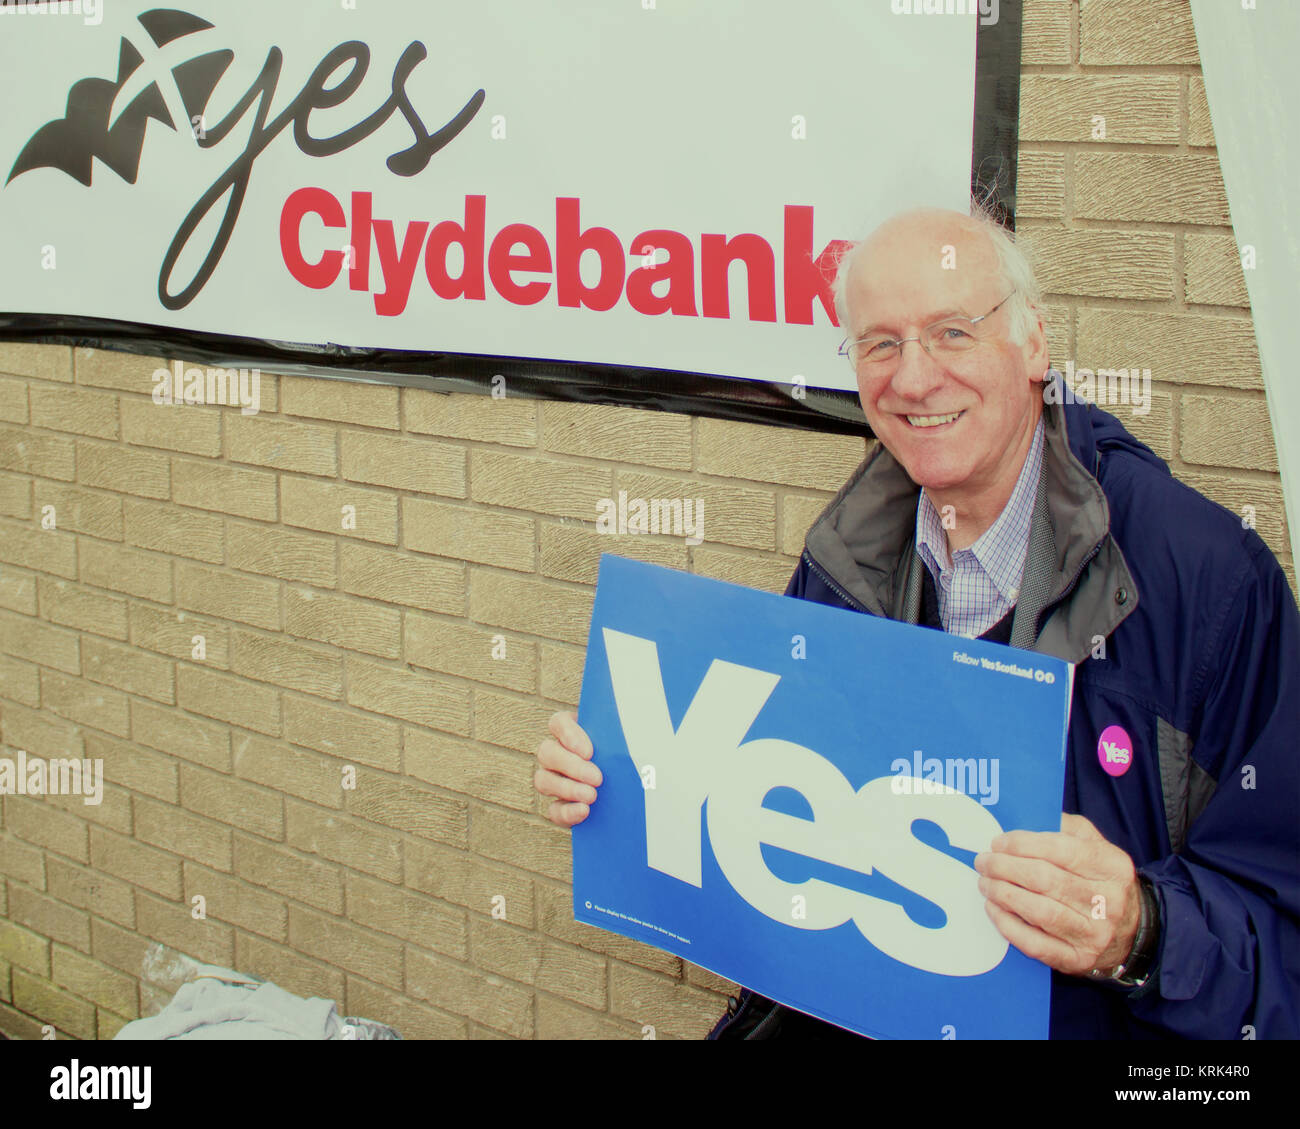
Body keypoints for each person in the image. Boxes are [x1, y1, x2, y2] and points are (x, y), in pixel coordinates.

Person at [533, 203, 1300, 1039]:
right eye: (881, 343)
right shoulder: (846, 556)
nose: (914, 377)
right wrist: (629, 775)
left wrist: (1142, 930)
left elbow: (1282, 936)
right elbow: (782, 807)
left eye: (952, 332)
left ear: (1034, 344)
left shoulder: (1211, 582)